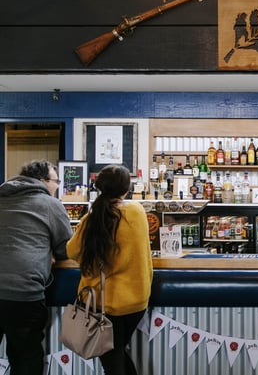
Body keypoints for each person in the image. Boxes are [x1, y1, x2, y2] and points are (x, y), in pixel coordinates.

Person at [66, 165, 153, 375]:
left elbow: (72, 251)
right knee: (117, 355)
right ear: (127, 188)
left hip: (104, 304)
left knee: (113, 362)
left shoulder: (91, 219)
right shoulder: (137, 212)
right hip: (137, 301)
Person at [0, 159, 73, 375]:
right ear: (42, 181)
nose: (57, 186)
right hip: (23, 294)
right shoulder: (50, 204)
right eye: (56, 181)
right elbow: (66, 250)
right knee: (25, 360)